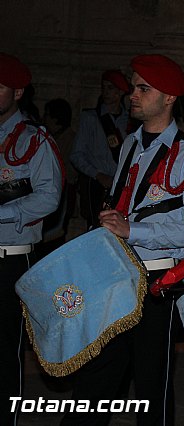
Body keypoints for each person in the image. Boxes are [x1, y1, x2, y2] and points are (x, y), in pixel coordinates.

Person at [61, 54, 184, 426]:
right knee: (96, 375)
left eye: (143, 88)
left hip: (156, 284)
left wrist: (133, 229)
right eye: (134, 86)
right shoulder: (131, 143)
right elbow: (120, 202)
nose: (133, 94)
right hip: (116, 276)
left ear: (169, 98)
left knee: (151, 385)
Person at [0, 52, 63, 425]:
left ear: (19, 92)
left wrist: (4, 212)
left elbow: (49, 196)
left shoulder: (34, 140)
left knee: (6, 350)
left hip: (9, 257)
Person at [71, 69, 131, 230]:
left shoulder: (130, 121)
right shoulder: (90, 118)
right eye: (103, 87)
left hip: (121, 185)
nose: (105, 92)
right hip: (96, 185)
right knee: (95, 227)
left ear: (120, 92)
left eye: (110, 88)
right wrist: (98, 174)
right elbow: (77, 155)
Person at [40, 98, 78, 251]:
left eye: (47, 115)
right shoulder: (51, 138)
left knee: (54, 238)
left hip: (63, 195)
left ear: (56, 118)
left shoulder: (69, 139)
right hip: (53, 193)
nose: (44, 119)